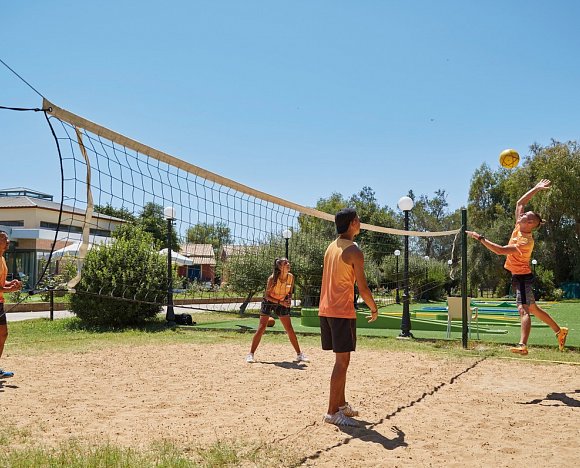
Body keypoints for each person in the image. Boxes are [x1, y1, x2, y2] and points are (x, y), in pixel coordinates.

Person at [466, 179, 568, 355]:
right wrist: (536, 188)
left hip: (522, 277)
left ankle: (523, 345)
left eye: (525, 216)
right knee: (534, 309)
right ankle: (559, 331)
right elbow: (520, 203)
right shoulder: (519, 226)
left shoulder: (524, 242)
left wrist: (479, 237)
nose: (521, 214)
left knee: (523, 309)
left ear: (530, 224)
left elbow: (500, 250)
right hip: (517, 276)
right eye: (523, 215)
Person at [319, 208, 378, 427]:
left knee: (342, 361)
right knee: (342, 362)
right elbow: (363, 288)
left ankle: (341, 405)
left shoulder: (331, 246)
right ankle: (332, 412)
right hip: (341, 311)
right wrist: (374, 308)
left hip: (326, 310)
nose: (360, 222)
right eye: (358, 219)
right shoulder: (354, 251)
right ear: (352, 223)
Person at [246, 257, 309, 363]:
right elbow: (266, 295)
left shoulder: (291, 277)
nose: (288, 264)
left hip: (282, 302)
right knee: (261, 327)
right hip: (269, 302)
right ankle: (250, 354)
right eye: (285, 263)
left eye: (288, 262)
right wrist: (281, 302)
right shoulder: (272, 278)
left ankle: (299, 354)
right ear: (280, 267)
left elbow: (290, 292)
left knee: (289, 328)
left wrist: (289, 299)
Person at [0, 230, 22, 379]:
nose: (7, 241)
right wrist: (10, 289)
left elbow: (1, 283)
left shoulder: (2, 259)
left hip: (0, 302)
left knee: (3, 334)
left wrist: (10, 283)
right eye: (3, 239)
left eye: (7, 239)